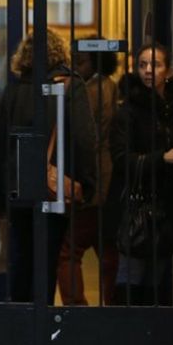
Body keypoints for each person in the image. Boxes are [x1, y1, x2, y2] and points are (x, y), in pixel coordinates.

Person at [0, 30, 96, 304]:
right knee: (46, 261)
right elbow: (85, 139)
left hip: (19, 191)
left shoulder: (14, 89)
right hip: (53, 190)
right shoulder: (70, 85)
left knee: (21, 259)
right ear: (59, 52)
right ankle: (41, 325)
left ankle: (20, 326)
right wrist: (86, 184)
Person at [110, 43, 173, 306]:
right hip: (137, 201)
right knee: (131, 276)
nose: (148, 71)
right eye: (143, 65)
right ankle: (125, 333)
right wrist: (162, 158)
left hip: (166, 202)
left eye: (155, 65)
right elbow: (122, 159)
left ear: (168, 70)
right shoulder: (128, 111)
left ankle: (153, 336)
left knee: (159, 277)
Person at [56, 39, 120, 305]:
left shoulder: (88, 91)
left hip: (92, 180)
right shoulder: (113, 87)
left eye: (80, 61)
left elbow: (83, 140)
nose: (74, 67)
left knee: (68, 251)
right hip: (111, 180)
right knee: (108, 250)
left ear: (94, 63)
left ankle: (75, 309)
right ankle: (115, 305)